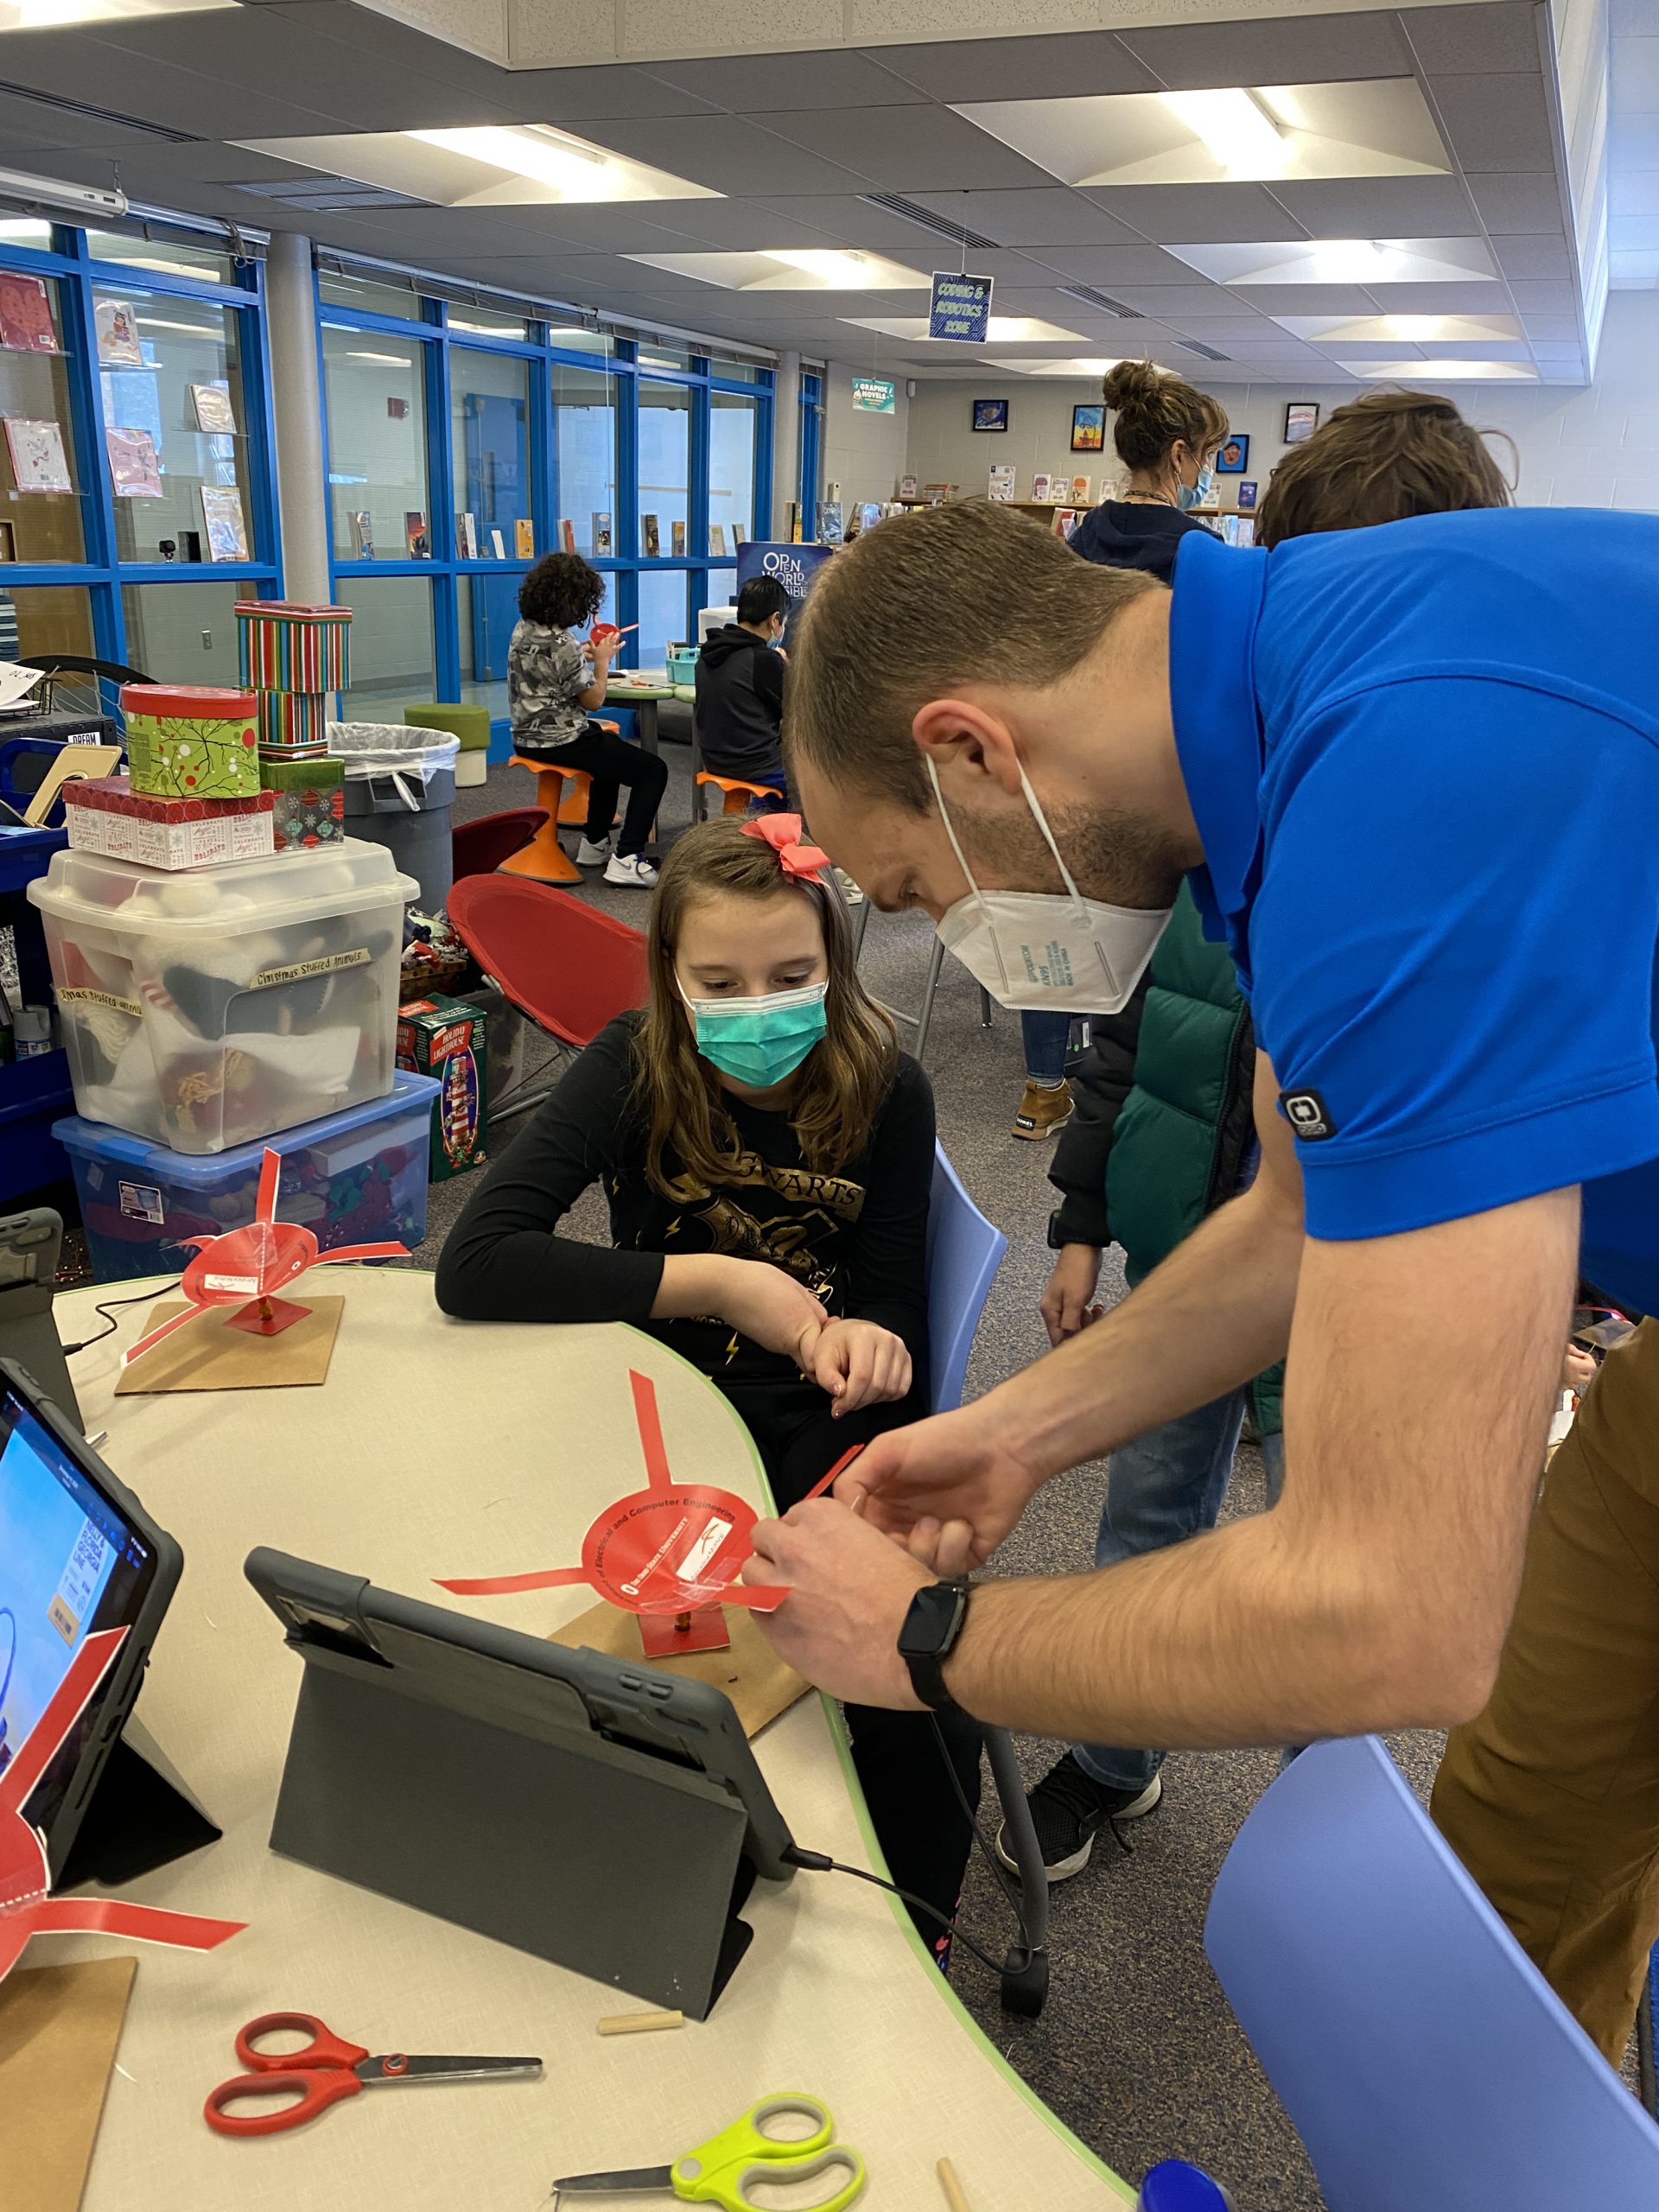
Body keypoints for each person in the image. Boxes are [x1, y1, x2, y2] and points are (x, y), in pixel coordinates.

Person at [741, 491, 1659, 2063]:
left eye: (910, 894)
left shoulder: (1401, 776)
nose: (941, 939)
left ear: (971, 754)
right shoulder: (1279, 700)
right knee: (1530, 1814)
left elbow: (1397, 1616)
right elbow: (1300, 1215)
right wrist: (1025, 1431)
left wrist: (930, 1644)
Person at [1009, 389, 1510, 1881]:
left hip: (1358, 1280)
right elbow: (1131, 1050)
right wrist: (1083, 1220)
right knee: (1148, 1510)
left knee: (1328, 1561)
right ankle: (1113, 1763)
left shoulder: (1432, 864)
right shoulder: (1225, 832)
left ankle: (1321, 1820)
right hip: (1192, 1238)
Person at [435, 814, 979, 1945]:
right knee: (498, 1588)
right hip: (649, 1410)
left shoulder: (887, 1088)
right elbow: (479, 1262)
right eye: (718, 983)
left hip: (806, 1424)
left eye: (791, 977)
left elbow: (893, 1322)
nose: (758, 1007)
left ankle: (916, 1931)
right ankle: (601, 1872)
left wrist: (870, 1342)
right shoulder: (636, 1062)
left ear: (836, 964)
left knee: (916, 1648)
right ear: (669, 979)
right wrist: (727, 1288)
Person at [1014, 361, 1226, 1143]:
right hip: (1159, 777)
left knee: (1056, 927)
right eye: (1203, 457)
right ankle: (1126, 1087)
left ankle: (1042, 1091)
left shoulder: (1071, 542)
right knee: (1155, 935)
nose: (1202, 471)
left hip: (1062, 771)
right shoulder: (1203, 557)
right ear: (1178, 456)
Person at [507, 551, 669, 888]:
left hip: (525, 736)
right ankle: (628, 857)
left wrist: (582, 658)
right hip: (559, 740)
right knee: (653, 770)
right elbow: (594, 701)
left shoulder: (524, 629)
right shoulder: (564, 643)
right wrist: (603, 662)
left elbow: (549, 669)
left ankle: (595, 844)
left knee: (607, 750)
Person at [695, 575, 790, 810]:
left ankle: (753, 825)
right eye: (783, 623)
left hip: (714, 760)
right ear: (774, 620)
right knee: (816, 777)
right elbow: (794, 707)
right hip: (755, 764)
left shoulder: (707, 653)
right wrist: (786, 668)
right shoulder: (763, 659)